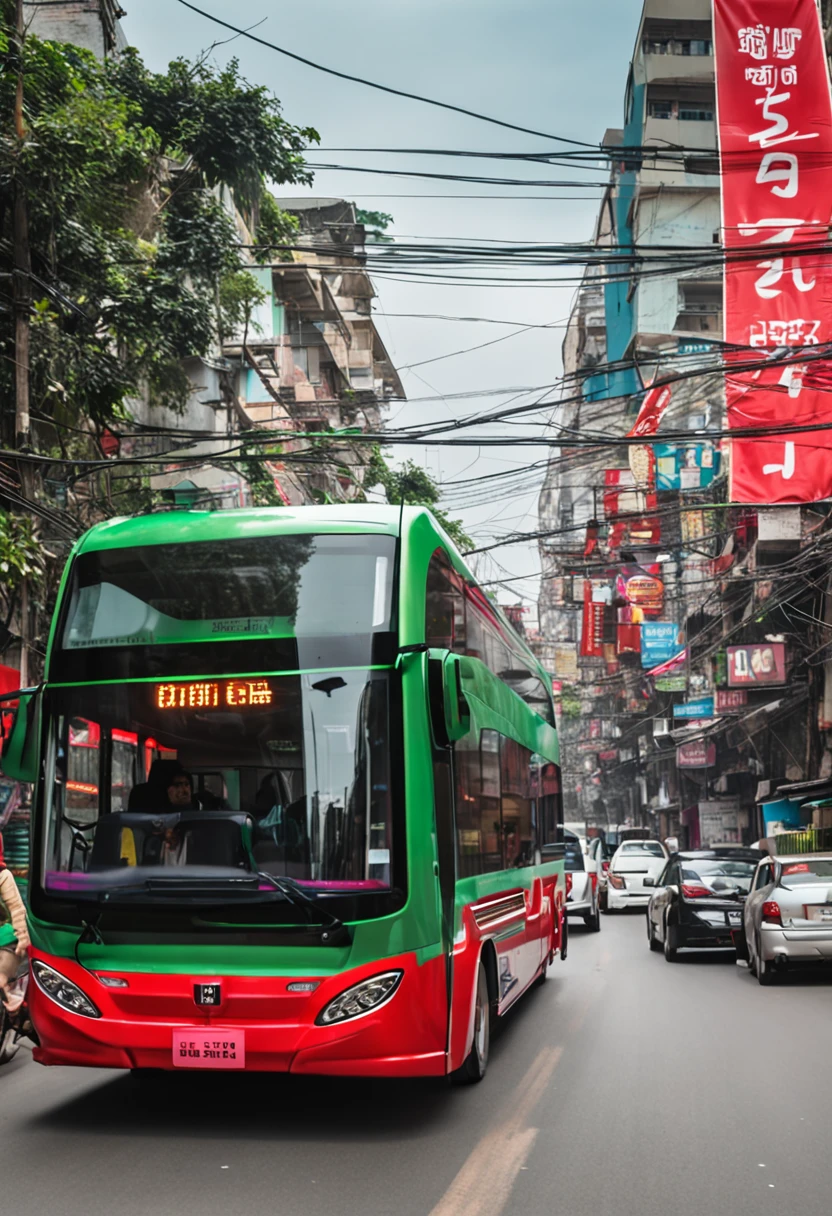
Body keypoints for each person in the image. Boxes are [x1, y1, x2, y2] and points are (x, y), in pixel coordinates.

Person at [0, 836, 29, 1010]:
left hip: (4, 939)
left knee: (2, 976)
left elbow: (17, 909)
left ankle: (13, 1010)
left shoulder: (3, 876)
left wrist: (22, 937)